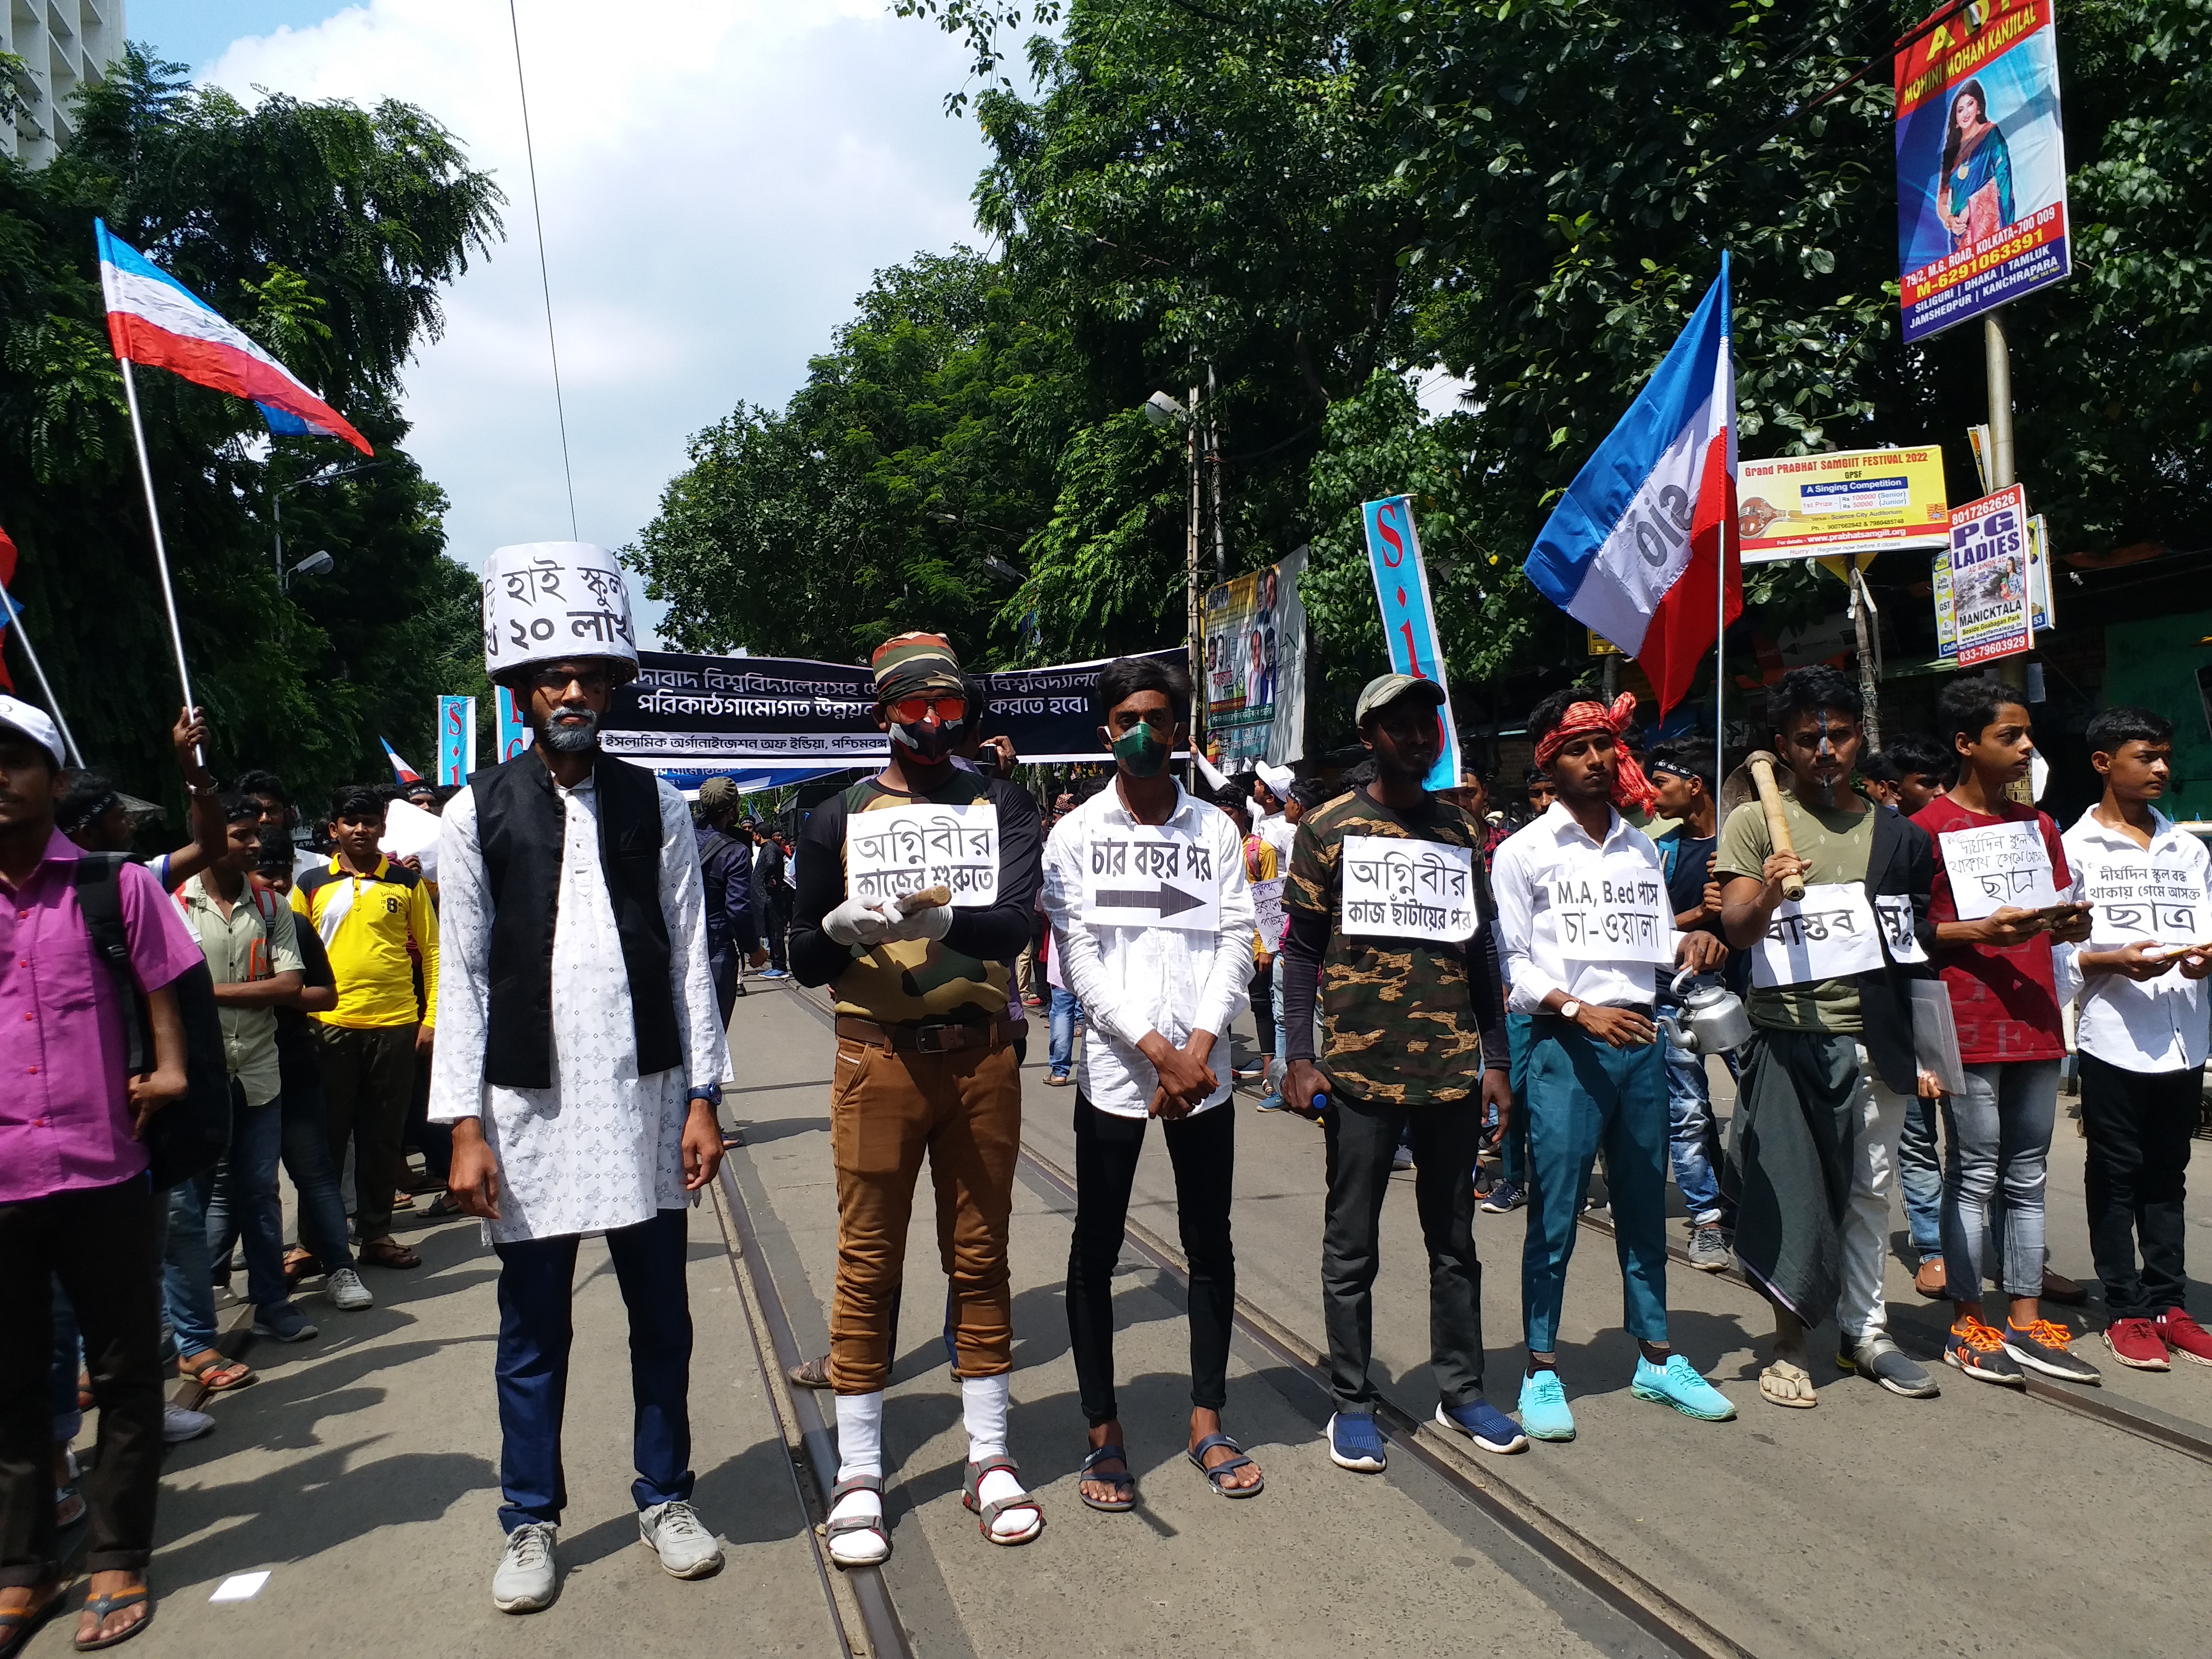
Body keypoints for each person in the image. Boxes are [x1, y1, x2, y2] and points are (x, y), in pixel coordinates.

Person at [432, 541, 733, 1613]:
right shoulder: (474, 815)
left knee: (664, 1316)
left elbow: (691, 953)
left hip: (648, 1102)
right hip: (529, 1112)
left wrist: (704, 1099)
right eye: (553, 676)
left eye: (590, 677)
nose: (572, 692)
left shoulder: (660, 805)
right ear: (520, 692)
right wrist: (463, 1127)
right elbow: (463, 978)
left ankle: (666, 1495)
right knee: (533, 1329)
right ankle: (530, 1520)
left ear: (612, 689)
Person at [788, 632, 1046, 1566]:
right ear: (883, 713)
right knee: (868, 1261)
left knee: (980, 1255)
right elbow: (801, 958)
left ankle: (989, 1453)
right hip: (877, 1059)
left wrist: (951, 921)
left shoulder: (1004, 805)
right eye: (914, 707)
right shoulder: (837, 818)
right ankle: (860, 1470)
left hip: (980, 1062)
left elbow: (1017, 921)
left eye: (948, 707)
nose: (932, 723)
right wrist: (836, 925)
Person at [1280, 673, 1525, 1468]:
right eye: (1400, 727)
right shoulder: (1326, 829)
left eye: (1427, 726)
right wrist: (1299, 1057)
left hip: (1452, 1075)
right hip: (1356, 1075)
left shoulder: (1458, 832)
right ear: (1368, 738)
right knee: (1351, 1246)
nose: (1418, 738)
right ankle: (1350, 1401)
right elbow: (1301, 952)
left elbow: (1481, 952)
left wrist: (1495, 1057)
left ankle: (1462, 1392)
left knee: (1453, 1242)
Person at [0, 694, 200, 1652]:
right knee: (9, 1379)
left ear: (54, 778)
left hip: (102, 1166)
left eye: (14, 760)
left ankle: (120, 1550)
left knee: (121, 1372)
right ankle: (23, 1566)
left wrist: (170, 1068)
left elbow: (161, 983)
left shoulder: (114, 888)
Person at [1491, 687, 1735, 1441]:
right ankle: (1539, 1367)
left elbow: (1655, 945)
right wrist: (1577, 1009)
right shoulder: (1522, 852)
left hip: (1643, 1046)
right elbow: (1516, 964)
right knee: (1556, 1216)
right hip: (1567, 1048)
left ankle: (1657, 1358)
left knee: (1639, 1206)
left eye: (1605, 746)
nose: (1597, 761)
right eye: (1577, 749)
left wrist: (1695, 943)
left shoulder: (1641, 848)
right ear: (1548, 763)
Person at [1046, 656, 1261, 1508]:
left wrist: (1196, 1050)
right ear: (1106, 729)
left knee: (1210, 1243)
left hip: (1201, 1071)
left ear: (1180, 731)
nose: (1143, 732)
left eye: (1159, 719)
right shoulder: (1075, 836)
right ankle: (1103, 1430)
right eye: (1128, 717)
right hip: (1114, 1072)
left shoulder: (1213, 830)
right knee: (1093, 1251)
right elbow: (1081, 961)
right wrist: (1155, 1053)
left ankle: (1207, 1419)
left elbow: (1237, 940)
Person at [1713, 667, 1941, 1406]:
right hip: (1788, 1037)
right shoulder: (1755, 821)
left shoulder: (1897, 835)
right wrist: (1773, 886)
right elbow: (1739, 926)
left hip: (1874, 1038)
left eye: (1838, 735)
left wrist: (1931, 1050)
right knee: (1792, 1192)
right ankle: (1787, 1341)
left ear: (1858, 738)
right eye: (1808, 738)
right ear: (1782, 747)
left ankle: (1864, 1331)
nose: (1824, 749)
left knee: (1872, 1191)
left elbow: (1916, 948)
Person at [1920, 676, 2098, 1386]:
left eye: (2028, 735)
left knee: (2029, 1176)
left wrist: (2071, 922)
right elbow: (1908, 932)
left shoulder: (2039, 827)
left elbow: (2055, 911)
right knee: (1974, 1174)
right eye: (2010, 736)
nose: (2027, 748)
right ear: (1966, 745)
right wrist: (1978, 930)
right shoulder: (1927, 828)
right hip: (1967, 1023)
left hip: (2035, 1020)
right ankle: (1970, 1319)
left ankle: (2026, 1321)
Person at [2056, 707, 2212, 1369]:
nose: (2162, 769)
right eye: (2146, 756)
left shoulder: (2190, 848)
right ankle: (2124, 1307)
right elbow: (2054, 952)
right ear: (2103, 764)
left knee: (2167, 1174)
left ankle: (2169, 1302)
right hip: (2115, 1035)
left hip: (2186, 1036)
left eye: (2164, 755)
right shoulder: (2072, 849)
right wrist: (2109, 961)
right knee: (2116, 1174)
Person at [171, 793, 321, 1345]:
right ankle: (188, 1330)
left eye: (258, 834)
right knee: (185, 1208)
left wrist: (205, 993)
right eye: (242, 836)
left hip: (259, 1072)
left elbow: (289, 987)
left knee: (260, 1193)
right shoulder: (170, 900)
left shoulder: (274, 907)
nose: (257, 844)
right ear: (209, 838)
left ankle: (272, 1305)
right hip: (193, 1081)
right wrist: (241, 996)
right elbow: (159, 991)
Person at [292, 784, 439, 1272]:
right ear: (334, 830)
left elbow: (434, 953)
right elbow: (291, 957)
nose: (361, 830)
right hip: (327, 1029)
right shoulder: (310, 885)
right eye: (350, 822)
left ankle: (376, 1235)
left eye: (370, 822)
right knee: (325, 1142)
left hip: (395, 1025)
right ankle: (313, 1244)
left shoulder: (406, 884)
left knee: (382, 1137)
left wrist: (431, 1019)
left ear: (382, 827)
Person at [249, 847, 372, 1309]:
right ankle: (216, 1292)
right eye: (267, 875)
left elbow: (325, 993)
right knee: (238, 1191)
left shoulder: (295, 926)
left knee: (316, 1174)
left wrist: (274, 992)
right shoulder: (206, 928)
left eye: (284, 875)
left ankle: (340, 1267)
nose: (279, 885)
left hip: (294, 1066)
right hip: (234, 1072)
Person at [1644, 737, 1732, 1272]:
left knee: (1763, 1108)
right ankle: (1707, 1220)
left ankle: (1752, 1204)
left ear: (1694, 785)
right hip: (1675, 995)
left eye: (1662, 783)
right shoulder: (1662, 851)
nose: (1654, 795)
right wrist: (1699, 913)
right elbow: (1647, 927)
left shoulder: (1741, 846)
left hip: (1741, 995)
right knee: (1689, 1110)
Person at [1880, 730, 1957, 1294]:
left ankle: (1995, 1249)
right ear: (1889, 789)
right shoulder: (1887, 845)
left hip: (1963, 999)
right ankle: (1932, 1245)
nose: (1938, 793)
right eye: (1924, 783)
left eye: (1943, 781)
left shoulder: (1960, 834)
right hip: (1905, 1003)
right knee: (1915, 1133)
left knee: (1981, 1142)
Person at [694, 777, 762, 1022]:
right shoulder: (735, 851)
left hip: (679, 946)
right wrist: (754, 949)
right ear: (734, 810)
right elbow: (738, 909)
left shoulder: (680, 838)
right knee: (714, 1032)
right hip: (716, 950)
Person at [1936, 78, 2013, 253]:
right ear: (1955, 119)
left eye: (1970, 104)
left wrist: (1974, 206)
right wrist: (1950, 220)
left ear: (1979, 108)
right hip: (1959, 236)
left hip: (1987, 228)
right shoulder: (1951, 154)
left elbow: (2004, 176)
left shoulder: (1991, 134)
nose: (1965, 113)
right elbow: (1942, 203)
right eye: (1960, 110)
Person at [751, 821, 792, 979]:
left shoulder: (770, 850)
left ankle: (780, 966)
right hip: (766, 898)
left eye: (754, 834)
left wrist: (769, 878)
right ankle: (776, 964)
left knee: (776, 933)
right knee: (771, 933)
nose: (753, 838)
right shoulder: (768, 849)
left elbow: (771, 863)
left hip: (771, 899)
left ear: (759, 835)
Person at [1251, 762, 1298, 869]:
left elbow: (1294, 871)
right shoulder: (1261, 810)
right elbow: (1226, 789)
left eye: (1260, 784)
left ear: (1270, 799)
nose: (1255, 783)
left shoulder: (1286, 829)